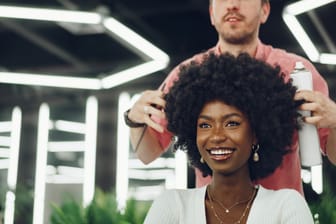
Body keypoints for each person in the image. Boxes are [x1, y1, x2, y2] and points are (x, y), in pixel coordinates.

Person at [124, 0, 336, 194]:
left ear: (264, 10)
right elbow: (146, 154)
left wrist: (335, 121)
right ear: (211, 14)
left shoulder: (297, 73)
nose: (233, 4)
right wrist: (134, 119)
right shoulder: (186, 76)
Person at [144, 52, 314, 224]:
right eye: (205, 125)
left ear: (256, 134)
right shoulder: (173, 205)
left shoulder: (287, 206)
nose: (217, 136)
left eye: (232, 123)